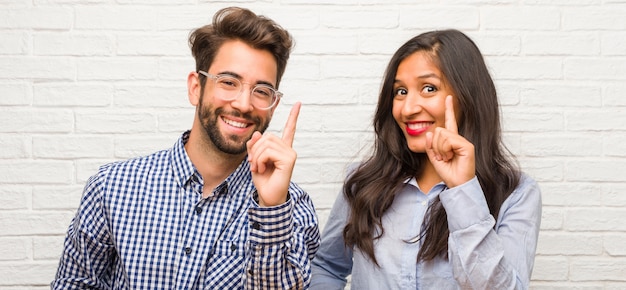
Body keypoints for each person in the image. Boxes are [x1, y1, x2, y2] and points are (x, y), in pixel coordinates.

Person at [52, 7, 320, 289]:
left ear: (273, 105)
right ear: (196, 87)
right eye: (229, 82)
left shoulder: (293, 208)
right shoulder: (112, 186)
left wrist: (270, 209)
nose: (243, 104)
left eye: (261, 91)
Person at [310, 29, 542, 289]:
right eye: (400, 92)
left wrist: (463, 189)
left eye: (428, 88)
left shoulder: (517, 194)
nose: (407, 109)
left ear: (467, 98)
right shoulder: (363, 183)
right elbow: (327, 267)